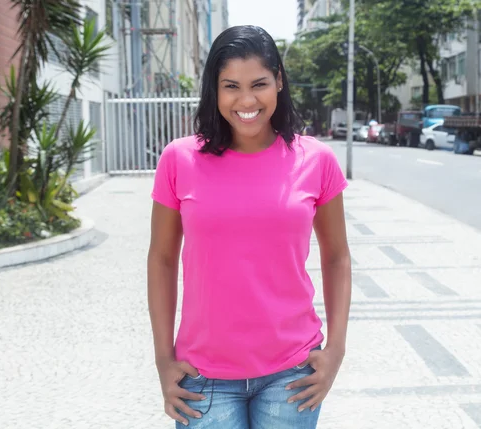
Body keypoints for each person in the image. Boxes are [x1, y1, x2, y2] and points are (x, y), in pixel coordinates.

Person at [147, 25, 352, 429]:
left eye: (258, 84)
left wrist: (336, 351)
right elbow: (162, 259)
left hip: (292, 375)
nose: (245, 100)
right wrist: (162, 359)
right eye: (230, 86)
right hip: (202, 379)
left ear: (279, 81)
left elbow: (337, 256)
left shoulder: (317, 160)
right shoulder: (179, 159)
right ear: (214, 90)